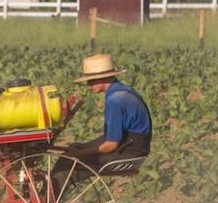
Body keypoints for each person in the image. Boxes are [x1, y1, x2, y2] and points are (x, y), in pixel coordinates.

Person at [52, 54, 152, 194]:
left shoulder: (115, 101)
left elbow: (111, 144)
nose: (88, 84)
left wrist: (79, 153)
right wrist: (83, 146)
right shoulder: (122, 91)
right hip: (130, 146)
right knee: (69, 159)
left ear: (103, 78)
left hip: (129, 153)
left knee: (68, 165)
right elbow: (113, 136)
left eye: (91, 81)